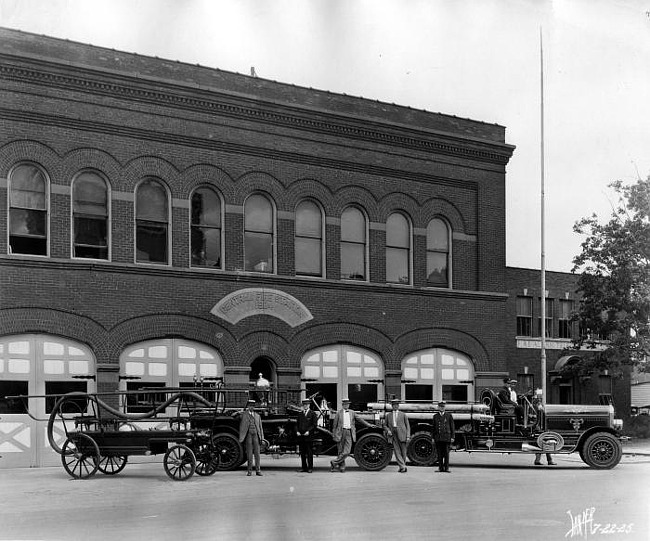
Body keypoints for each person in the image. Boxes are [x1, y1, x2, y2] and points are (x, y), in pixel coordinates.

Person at [330, 398, 374, 472]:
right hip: (340, 433)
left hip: (349, 432)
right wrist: (334, 435)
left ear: (349, 405)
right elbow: (334, 425)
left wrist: (369, 425)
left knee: (347, 451)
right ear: (342, 405)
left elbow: (360, 419)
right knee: (340, 451)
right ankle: (342, 466)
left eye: (347, 404)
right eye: (345, 404)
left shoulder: (352, 412)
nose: (346, 405)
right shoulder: (338, 413)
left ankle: (334, 462)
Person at [238, 399, 264, 476]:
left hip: (256, 435)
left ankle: (258, 470)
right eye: (250, 406)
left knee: (257, 454)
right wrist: (239, 411)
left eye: (252, 406)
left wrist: (262, 438)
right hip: (248, 435)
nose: (251, 407)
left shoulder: (257, 416)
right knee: (249, 454)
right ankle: (249, 471)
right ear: (248, 407)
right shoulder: (243, 415)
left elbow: (260, 427)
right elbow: (234, 416)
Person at [384, 398, 411, 473]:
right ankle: (402, 466)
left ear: (398, 406)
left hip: (402, 434)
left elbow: (408, 426)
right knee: (396, 451)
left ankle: (402, 466)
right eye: (393, 405)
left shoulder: (403, 414)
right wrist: (388, 430)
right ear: (392, 406)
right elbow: (385, 425)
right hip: (393, 434)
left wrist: (408, 436)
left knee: (403, 452)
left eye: (396, 405)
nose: (395, 406)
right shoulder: (388, 415)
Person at [296, 397, 318, 473]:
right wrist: (297, 431)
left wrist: (308, 431)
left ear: (309, 405)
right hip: (301, 436)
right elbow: (297, 424)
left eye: (307, 404)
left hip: (309, 437)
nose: (305, 406)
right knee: (302, 453)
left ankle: (310, 468)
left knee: (309, 453)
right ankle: (303, 467)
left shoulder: (312, 413)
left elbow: (314, 425)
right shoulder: (300, 414)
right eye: (304, 405)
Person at [432, 400, 454, 473]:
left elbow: (452, 427)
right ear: (438, 407)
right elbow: (433, 428)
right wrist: (433, 437)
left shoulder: (449, 416)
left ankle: (446, 468)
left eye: (443, 406)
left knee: (446, 453)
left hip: (446, 437)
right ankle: (440, 468)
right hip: (438, 437)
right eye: (440, 407)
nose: (442, 408)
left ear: (445, 407)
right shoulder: (435, 416)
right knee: (439, 454)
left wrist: (452, 437)